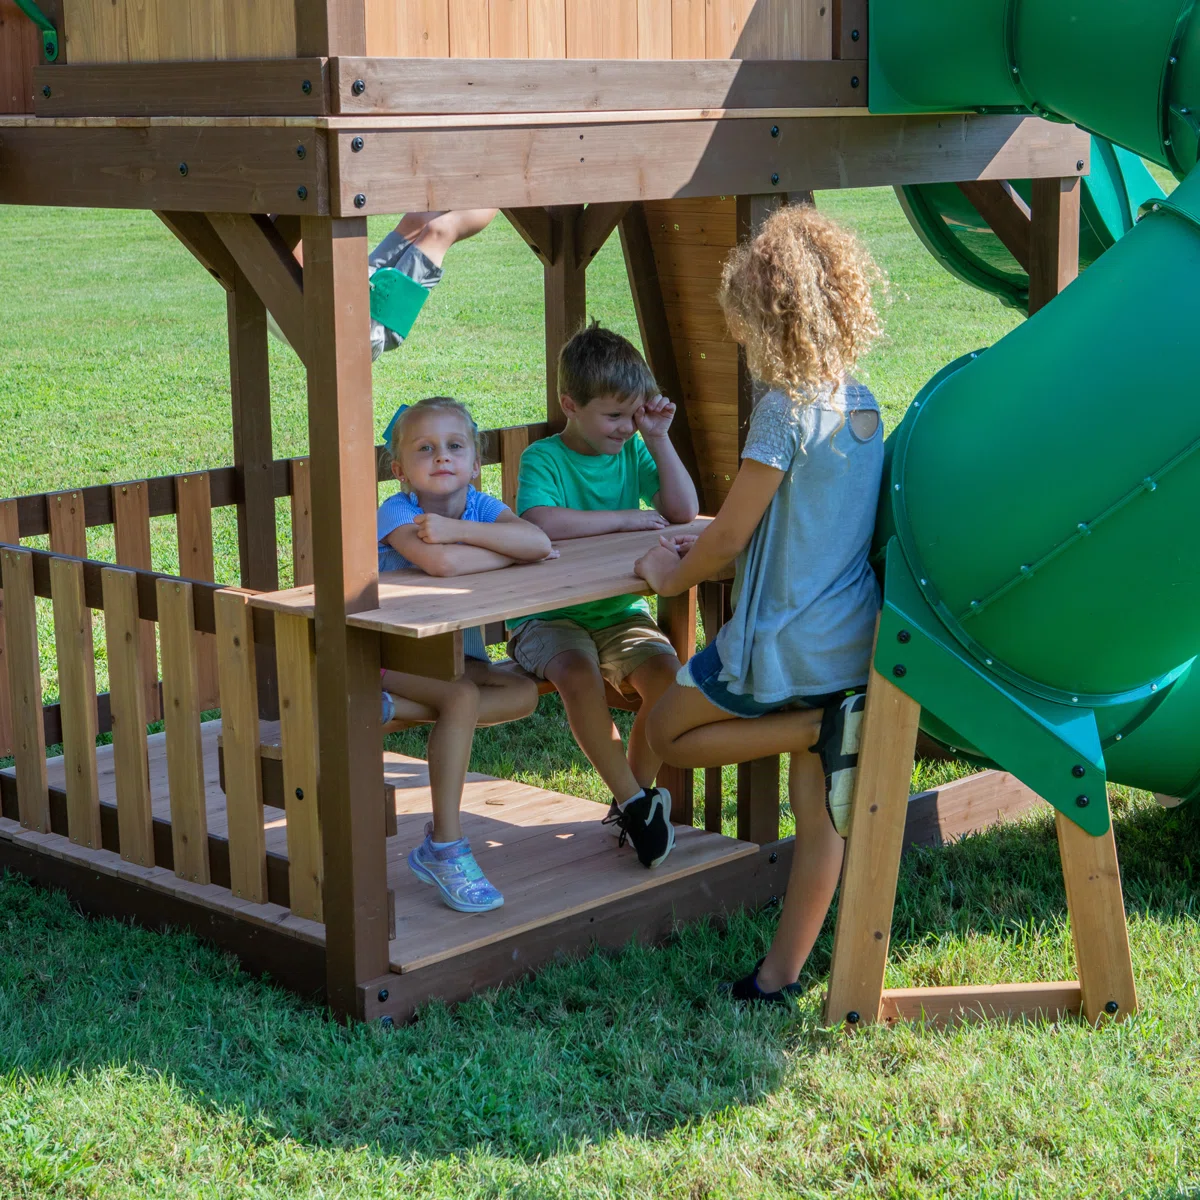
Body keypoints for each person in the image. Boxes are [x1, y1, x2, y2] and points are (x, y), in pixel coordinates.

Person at [633, 204, 885, 1002]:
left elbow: (730, 541)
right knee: (820, 821)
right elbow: (807, 513)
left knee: (667, 731)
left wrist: (669, 575)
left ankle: (810, 727)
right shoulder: (863, 403)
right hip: (850, 637)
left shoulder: (783, 407)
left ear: (763, 315)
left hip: (783, 641)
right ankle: (777, 978)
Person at [511, 323, 700, 870]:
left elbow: (683, 509)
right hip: (549, 616)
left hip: (618, 612)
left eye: (633, 414)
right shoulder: (543, 459)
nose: (624, 428)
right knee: (576, 672)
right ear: (570, 404)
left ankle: (631, 800)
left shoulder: (633, 450)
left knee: (668, 677)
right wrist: (624, 519)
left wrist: (658, 438)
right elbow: (541, 522)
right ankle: (638, 804)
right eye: (613, 416)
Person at [378, 396, 552, 913]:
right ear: (400, 469)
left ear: (476, 463)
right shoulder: (397, 511)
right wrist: (502, 549)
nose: (441, 457)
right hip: (389, 657)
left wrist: (460, 532)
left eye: (455, 446)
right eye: (425, 449)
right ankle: (445, 846)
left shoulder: (479, 507)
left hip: (457, 659)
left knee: (522, 692)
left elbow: (538, 542)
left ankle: (388, 706)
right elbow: (443, 565)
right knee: (458, 698)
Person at [270, 209, 499, 360]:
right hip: (368, 327)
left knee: (417, 220)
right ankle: (501, 184)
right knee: (440, 230)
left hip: (349, 298)